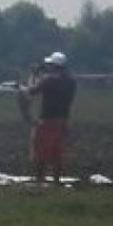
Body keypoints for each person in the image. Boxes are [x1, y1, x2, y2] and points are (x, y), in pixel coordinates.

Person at [26, 51, 77, 184]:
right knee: (57, 151)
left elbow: (31, 90)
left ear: (54, 66)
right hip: (63, 120)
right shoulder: (71, 81)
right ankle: (56, 180)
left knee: (41, 150)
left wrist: (33, 75)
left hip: (47, 119)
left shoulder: (48, 81)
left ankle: (40, 179)